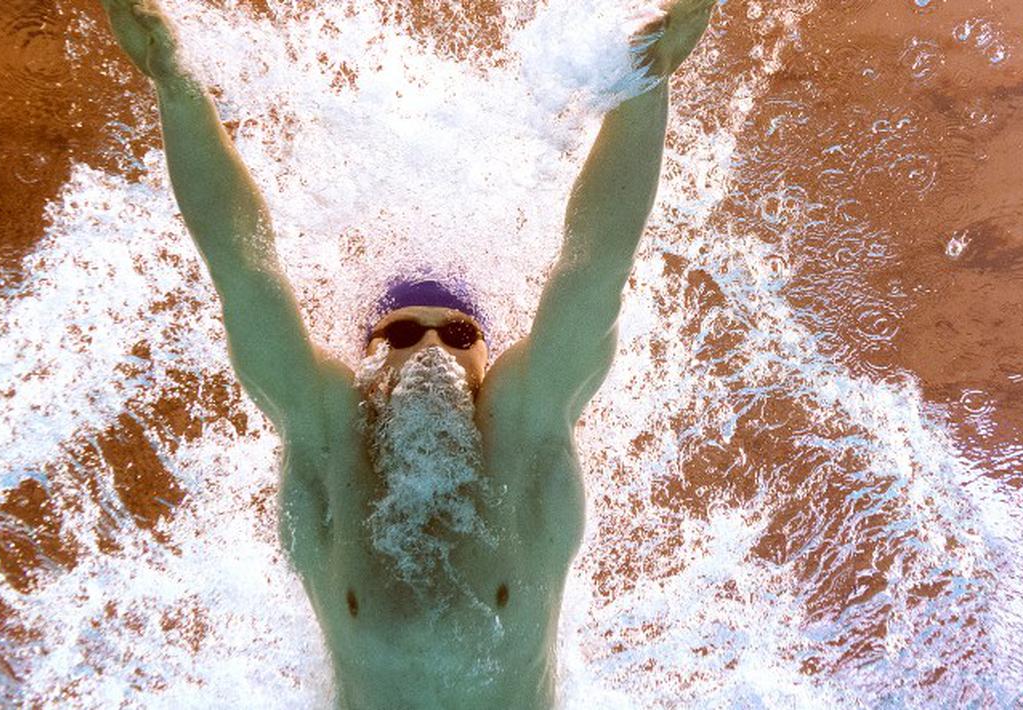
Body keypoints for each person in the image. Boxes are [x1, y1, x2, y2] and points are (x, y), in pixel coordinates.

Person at [100, 1, 717, 707]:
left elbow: (596, 264)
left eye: (457, 335)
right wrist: (176, 85)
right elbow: (242, 270)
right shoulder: (330, 443)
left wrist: (647, 80)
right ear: (366, 361)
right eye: (398, 336)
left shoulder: (523, 433)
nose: (428, 347)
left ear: (487, 362)